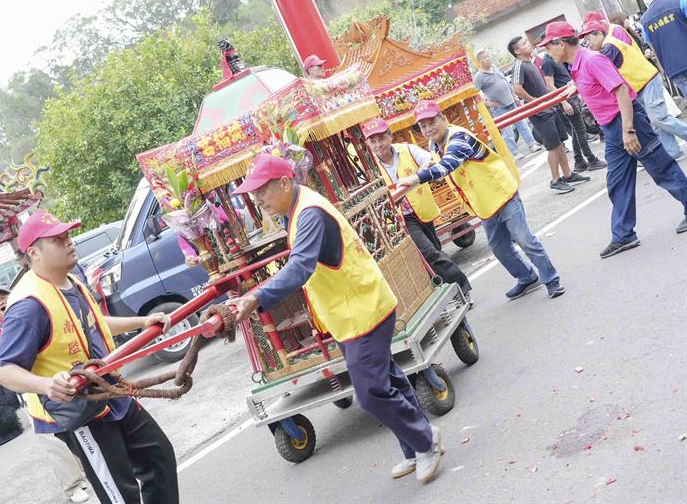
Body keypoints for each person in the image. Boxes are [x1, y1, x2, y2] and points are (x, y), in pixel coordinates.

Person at [230, 153, 444, 483]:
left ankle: (425, 441)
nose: (257, 200)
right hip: (349, 314)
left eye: (262, 191)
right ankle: (416, 446)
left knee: (371, 391)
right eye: (254, 193)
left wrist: (256, 296)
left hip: (364, 310)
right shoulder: (296, 208)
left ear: (285, 183)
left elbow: (300, 267)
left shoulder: (309, 213)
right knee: (389, 380)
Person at [0, 210, 178, 504]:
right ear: (34, 253)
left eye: (68, 235)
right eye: (58, 239)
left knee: (158, 456)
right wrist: (46, 385)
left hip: (111, 391)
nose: (69, 242)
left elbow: (95, 323)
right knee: (120, 494)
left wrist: (143, 322)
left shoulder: (71, 282)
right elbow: (0, 370)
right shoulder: (28, 305)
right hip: (81, 410)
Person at [541, 21, 687, 257]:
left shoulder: (592, 60)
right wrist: (576, 87)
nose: (548, 53)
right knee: (617, 181)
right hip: (611, 127)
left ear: (560, 43)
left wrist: (628, 130)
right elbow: (597, 85)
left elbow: (620, 91)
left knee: (661, 168)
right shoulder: (577, 66)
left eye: (549, 47)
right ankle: (623, 235)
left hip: (627, 121)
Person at [395, 100, 566, 299]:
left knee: (524, 239)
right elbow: (436, 162)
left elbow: (448, 164)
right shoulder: (434, 145)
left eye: (432, 122)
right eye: (423, 126)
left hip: (501, 194)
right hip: (483, 203)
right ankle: (527, 277)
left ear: (443, 118)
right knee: (499, 248)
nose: (428, 129)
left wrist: (416, 179)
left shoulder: (458, 136)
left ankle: (551, 279)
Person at [0, 286, 90, 504]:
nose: (0, 302)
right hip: (35, 393)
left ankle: (89, 470)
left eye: (4, 297)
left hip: (63, 380)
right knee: (52, 439)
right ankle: (74, 484)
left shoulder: (33, 314)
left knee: (81, 428)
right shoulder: (1, 330)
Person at [360, 118, 473, 302]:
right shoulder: (369, 167)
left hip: (422, 209)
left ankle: (444, 293)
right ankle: (462, 288)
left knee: (433, 250)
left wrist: (419, 173)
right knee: (429, 252)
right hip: (400, 218)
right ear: (367, 144)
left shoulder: (407, 149)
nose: (378, 144)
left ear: (389, 136)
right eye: (373, 141)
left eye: (381, 138)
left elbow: (429, 159)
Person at [580, 17, 687, 160]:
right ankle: (673, 153)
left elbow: (594, 67)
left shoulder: (608, 46)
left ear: (599, 34)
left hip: (647, 81)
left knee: (659, 118)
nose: (588, 43)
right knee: (656, 121)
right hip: (640, 84)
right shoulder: (608, 43)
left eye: (589, 38)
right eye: (585, 40)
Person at [508, 36, 590, 193]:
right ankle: (555, 180)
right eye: (524, 43)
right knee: (552, 147)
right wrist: (535, 102)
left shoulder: (530, 62)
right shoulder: (518, 65)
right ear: (517, 51)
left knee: (559, 144)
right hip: (540, 112)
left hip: (549, 108)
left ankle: (567, 175)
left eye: (527, 40)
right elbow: (517, 89)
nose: (528, 44)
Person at [541, 52, 607, 172]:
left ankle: (579, 161)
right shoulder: (547, 61)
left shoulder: (556, 57)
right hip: (566, 99)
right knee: (580, 130)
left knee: (577, 130)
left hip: (570, 95)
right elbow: (549, 85)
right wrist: (563, 102)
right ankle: (591, 159)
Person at [473, 49, 542, 157]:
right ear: (480, 61)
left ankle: (532, 144)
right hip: (499, 107)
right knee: (507, 131)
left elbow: (504, 81)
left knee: (522, 124)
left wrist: (513, 95)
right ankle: (515, 153)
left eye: (488, 56)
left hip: (511, 101)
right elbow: (475, 94)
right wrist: (487, 103)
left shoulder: (495, 67)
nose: (488, 59)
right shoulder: (478, 77)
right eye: (485, 58)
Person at [641, 0, 687, 97]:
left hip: (674, 70)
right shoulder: (681, 0)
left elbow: (652, 46)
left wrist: (663, 70)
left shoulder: (644, 20)